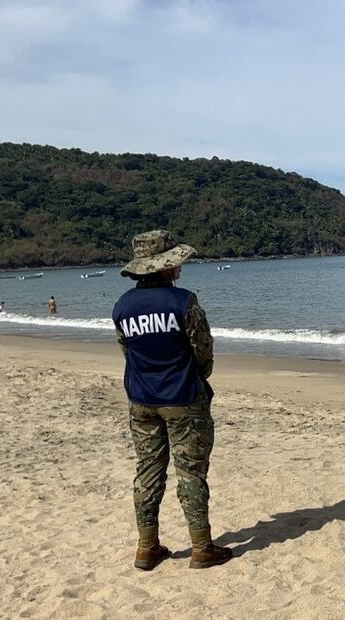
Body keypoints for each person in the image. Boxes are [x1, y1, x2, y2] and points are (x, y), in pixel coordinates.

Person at [112, 230, 232, 571]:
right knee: (191, 473)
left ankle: (147, 547)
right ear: (166, 267)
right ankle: (201, 548)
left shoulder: (122, 307)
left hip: (141, 398)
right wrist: (197, 377)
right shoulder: (183, 302)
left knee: (148, 472)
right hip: (182, 397)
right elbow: (203, 351)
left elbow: (127, 350)